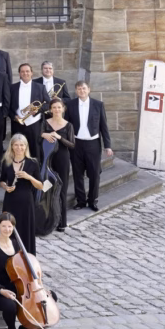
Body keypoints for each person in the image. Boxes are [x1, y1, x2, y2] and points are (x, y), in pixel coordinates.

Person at [66, 80, 113, 211]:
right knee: (77, 173)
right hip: (76, 144)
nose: (82, 91)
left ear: (89, 90)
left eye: (84, 88)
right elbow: (67, 125)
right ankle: (81, 201)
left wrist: (107, 145)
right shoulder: (70, 105)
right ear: (76, 91)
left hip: (93, 144)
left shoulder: (98, 105)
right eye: (79, 89)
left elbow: (104, 126)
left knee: (94, 174)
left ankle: (93, 200)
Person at [0, 133, 43, 254]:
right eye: (16, 145)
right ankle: (10, 257)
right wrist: (5, 187)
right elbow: (1, 180)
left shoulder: (32, 163)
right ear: (12, 146)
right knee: (9, 229)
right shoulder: (6, 162)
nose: (19, 148)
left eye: (22, 145)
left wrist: (29, 177)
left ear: (26, 146)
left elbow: (40, 185)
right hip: (10, 200)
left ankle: (27, 258)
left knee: (25, 229)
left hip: (26, 202)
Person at [40, 98, 75, 231]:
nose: (56, 110)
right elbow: (38, 137)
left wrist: (60, 137)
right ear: (50, 109)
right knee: (46, 187)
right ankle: (46, 220)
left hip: (62, 159)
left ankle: (62, 222)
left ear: (63, 109)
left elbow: (72, 145)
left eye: (59, 107)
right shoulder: (45, 123)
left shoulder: (68, 125)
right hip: (48, 159)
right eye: (54, 107)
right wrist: (43, 134)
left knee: (62, 189)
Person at [9, 63, 49, 161]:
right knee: (17, 148)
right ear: (19, 73)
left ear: (32, 73)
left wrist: (38, 110)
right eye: (22, 71)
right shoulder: (12, 88)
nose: (25, 73)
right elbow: (8, 107)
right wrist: (14, 116)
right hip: (18, 123)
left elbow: (48, 104)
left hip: (34, 124)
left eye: (27, 71)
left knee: (35, 148)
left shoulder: (40, 87)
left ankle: (36, 171)